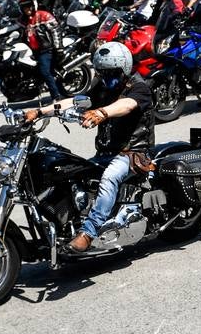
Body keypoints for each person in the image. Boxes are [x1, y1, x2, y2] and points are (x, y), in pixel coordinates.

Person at [23, 41, 154, 253]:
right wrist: (39, 112)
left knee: (109, 177)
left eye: (112, 74)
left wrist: (101, 113)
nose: (107, 79)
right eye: (103, 74)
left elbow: (127, 105)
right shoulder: (102, 87)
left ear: (125, 69)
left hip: (132, 152)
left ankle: (88, 233)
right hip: (106, 152)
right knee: (70, 172)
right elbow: (75, 101)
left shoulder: (139, 87)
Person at [16, 0, 63, 100]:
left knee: (45, 72)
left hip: (46, 50)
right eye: (24, 7)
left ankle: (56, 97)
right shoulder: (22, 20)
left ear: (33, 5)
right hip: (33, 51)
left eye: (28, 6)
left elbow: (56, 31)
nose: (27, 9)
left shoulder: (43, 15)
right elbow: (13, 27)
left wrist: (58, 47)